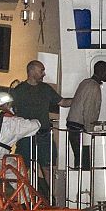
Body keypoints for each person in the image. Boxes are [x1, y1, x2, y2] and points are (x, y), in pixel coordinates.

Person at [11, 60, 72, 189]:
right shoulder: (19, 90)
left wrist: (78, 99)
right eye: (41, 70)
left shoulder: (46, 89)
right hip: (26, 136)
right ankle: (23, 197)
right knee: (23, 167)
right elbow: (10, 110)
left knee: (48, 166)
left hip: (43, 135)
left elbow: (62, 102)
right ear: (32, 71)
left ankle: (52, 198)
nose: (44, 74)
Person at [67, 61, 106, 169]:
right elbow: (89, 111)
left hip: (73, 126)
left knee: (79, 160)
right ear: (102, 72)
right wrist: (89, 131)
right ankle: (85, 185)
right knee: (85, 162)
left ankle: (79, 183)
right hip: (80, 128)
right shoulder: (94, 87)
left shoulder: (85, 83)